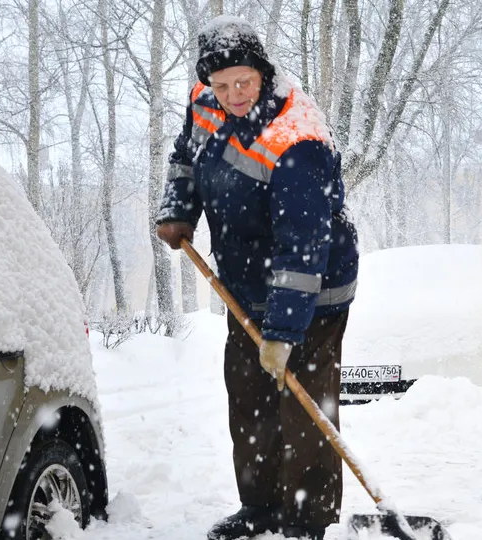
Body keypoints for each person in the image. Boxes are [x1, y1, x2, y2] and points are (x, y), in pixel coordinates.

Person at [154, 16, 358, 540]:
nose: (233, 95)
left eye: (243, 82)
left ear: (263, 72)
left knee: (304, 410)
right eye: (221, 85)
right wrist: (178, 208)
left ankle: (308, 519)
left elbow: (303, 247)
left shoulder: (298, 138)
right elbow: (186, 156)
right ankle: (261, 507)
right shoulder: (205, 101)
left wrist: (284, 333)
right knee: (249, 400)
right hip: (245, 285)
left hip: (313, 291)